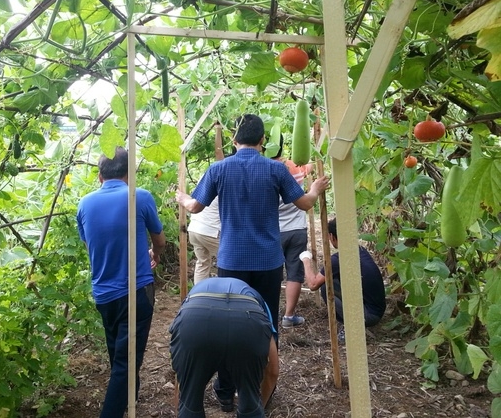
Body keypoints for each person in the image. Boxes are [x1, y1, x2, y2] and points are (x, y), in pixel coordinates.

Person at [176, 113, 329, 404]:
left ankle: (224, 391)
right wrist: (315, 189)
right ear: (262, 141)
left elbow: (195, 207)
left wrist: (181, 197)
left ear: (234, 141)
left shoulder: (218, 170)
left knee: (229, 323)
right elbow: (305, 203)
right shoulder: (276, 170)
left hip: (231, 261)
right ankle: (261, 389)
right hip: (268, 262)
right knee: (266, 322)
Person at [76, 147, 166, 418]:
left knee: (120, 358)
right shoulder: (140, 197)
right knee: (125, 365)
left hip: (104, 294)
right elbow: (160, 241)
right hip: (136, 292)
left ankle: (130, 405)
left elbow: (89, 242)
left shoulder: (84, 204)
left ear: (99, 175)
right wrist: (155, 253)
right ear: (129, 173)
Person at [169, 277, 279, 417]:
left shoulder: (192, 297)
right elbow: (273, 370)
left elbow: (180, 371)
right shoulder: (259, 302)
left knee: (189, 404)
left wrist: (185, 401)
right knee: (250, 405)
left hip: (194, 319)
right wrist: (257, 406)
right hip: (248, 323)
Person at [301, 217, 386, 342]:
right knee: (331, 280)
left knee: (326, 287)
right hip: (377, 309)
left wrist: (306, 260)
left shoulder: (339, 259)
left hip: (369, 315)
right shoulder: (360, 250)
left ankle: (351, 326)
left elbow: (313, 284)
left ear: (332, 236)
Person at [271, 139, 314, 328]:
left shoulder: (265, 171)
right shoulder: (294, 166)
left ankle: (268, 313)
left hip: (274, 231)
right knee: (294, 273)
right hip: (296, 228)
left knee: (272, 273)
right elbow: (308, 167)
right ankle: (288, 316)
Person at [187, 123, 224, 284]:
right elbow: (219, 155)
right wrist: (218, 131)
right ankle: (227, 295)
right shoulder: (222, 175)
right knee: (228, 261)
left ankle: (197, 297)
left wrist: (218, 130)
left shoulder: (206, 176)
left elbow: (218, 155)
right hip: (210, 231)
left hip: (194, 229)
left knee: (202, 263)